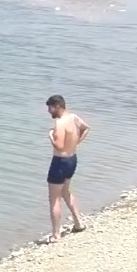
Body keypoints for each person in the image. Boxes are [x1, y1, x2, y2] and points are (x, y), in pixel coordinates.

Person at [44, 95, 89, 243]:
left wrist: (50, 136)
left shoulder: (60, 124)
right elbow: (86, 128)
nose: (49, 111)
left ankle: (56, 235)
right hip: (72, 159)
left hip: (60, 162)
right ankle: (78, 222)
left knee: (54, 199)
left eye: (50, 108)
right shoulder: (74, 118)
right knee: (65, 191)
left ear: (57, 106)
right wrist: (76, 143)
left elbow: (59, 146)